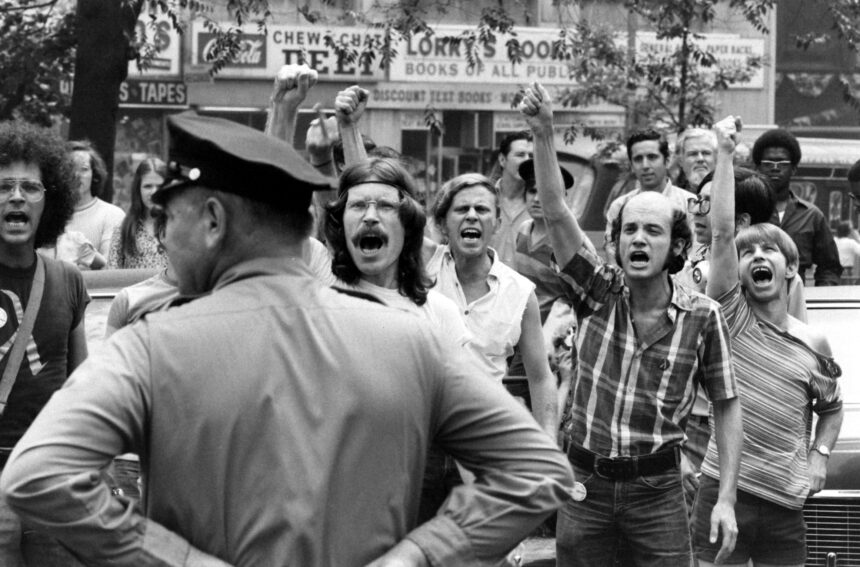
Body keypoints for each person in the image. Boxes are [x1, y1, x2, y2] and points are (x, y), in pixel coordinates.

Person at [0, 112, 574, 566]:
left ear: (214, 221)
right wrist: (419, 555)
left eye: (169, 217)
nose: (165, 237)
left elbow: (37, 475)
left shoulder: (152, 346)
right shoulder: (406, 337)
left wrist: (177, 561)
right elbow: (539, 470)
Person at [518, 82, 742, 566]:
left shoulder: (703, 316)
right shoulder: (596, 293)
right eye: (629, 231)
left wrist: (725, 496)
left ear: (677, 248)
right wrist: (543, 133)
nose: (638, 238)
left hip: (658, 490)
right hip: (586, 486)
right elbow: (557, 214)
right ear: (616, 244)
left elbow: (725, 405)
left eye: (653, 230)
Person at [693, 116, 843, 567]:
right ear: (736, 272)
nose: (757, 256)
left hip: (785, 502)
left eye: (769, 250)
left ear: (792, 269)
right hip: (724, 492)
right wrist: (723, 153)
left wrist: (819, 457)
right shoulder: (730, 318)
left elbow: (832, 408)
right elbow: (721, 233)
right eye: (747, 253)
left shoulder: (814, 341)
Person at [0, 121, 88, 566]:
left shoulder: (68, 280)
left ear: (49, 200)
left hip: (50, 476)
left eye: (30, 187)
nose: (17, 196)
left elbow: (83, 389)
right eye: (4, 186)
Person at [426, 173, 559, 437]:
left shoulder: (520, 292)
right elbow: (375, 206)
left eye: (482, 209)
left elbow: (541, 377)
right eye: (462, 209)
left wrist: (550, 450)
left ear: (497, 223)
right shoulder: (423, 266)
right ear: (442, 223)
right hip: (422, 440)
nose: (472, 216)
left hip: (485, 441)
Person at [752, 128, 842, 285]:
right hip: (752, 303)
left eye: (782, 163)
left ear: (793, 169)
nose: (775, 167)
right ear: (757, 168)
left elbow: (830, 267)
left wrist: (814, 299)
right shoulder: (747, 212)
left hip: (797, 302)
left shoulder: (812, 216)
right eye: (768, 163)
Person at [604, 129, 696, 259]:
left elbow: (695, 257)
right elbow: (613, 255)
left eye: (652, 157)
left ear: (667, 160)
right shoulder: (619, 207)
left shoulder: (689, 203)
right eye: (638, 159)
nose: (645, 165)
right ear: (631, 165)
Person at [45, 140, 125, 270]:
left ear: (95, 174)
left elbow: (111, 271)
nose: (76, 175)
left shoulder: (112, 215)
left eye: (83, 169)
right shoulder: (47, 215)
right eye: (69, 169)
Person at [107, 157, 169, 270]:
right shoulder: (123, 229)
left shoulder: (178, 227)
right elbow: (111, 275)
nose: (154, 192)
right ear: (138, 189)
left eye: (160, 186)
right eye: (148, 186)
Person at [490, 131, 534, 266]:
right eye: (520, 155)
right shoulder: (484, 200)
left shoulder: (538, 206)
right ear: (502, 160)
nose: (527, 160)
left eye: (531, 156)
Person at [675, 127, 717, 192]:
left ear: (716, 159)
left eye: (706, 153)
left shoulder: (733, 194)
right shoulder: (671, 198)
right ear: (681, 161)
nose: (700, 158)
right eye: (693, 154)